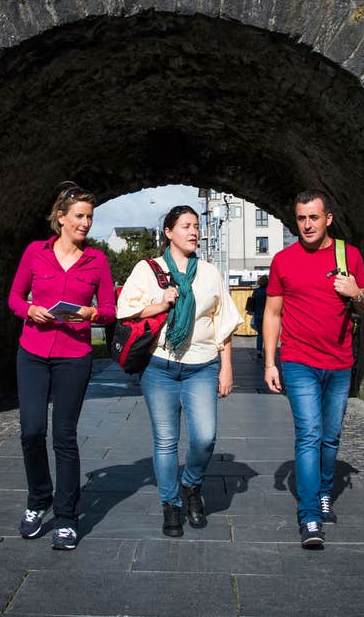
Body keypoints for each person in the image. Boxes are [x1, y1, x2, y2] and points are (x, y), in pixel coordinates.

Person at [6, 184, 116, 551]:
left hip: (74, 355)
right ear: (61, 218)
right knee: (31, 431)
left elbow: (111, 311)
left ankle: (67, 518)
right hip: (33, 351)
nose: (85, 223)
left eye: (90, 217)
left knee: (64, 436)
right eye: (80, 216)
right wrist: (30, 310)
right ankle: (38, 501)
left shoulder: (96, 261)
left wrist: (91, 313)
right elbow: (14, 297)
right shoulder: (35, 254)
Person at [117, 205, 238, 537]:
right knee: (166, 441)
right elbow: (124, 309)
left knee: (205, 436)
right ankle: (170, 504)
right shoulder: (148, 269)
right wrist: (162, 303)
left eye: (196, 226)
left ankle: (192, 484)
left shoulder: (210, 273)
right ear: (169, 232)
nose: (194, 231)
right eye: (186, 226)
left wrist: (226, 368)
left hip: (201, 366)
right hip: (159, 366)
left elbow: (223, 323)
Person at [261, 190, 364, 549]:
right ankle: (309, 515)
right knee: (309, 434)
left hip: (339, 363)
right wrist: (269, 362)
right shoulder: (283, 260)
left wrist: (355, 292)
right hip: (298, 361)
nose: (306, 225)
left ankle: (324, 490)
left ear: (328, 219)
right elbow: (273, 313)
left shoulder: (348, 255)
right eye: (300, 218)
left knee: (330, 437)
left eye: (313, 217)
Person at [247, 275, 269, 358]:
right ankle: (268, 350)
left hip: (257, 315)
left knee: (260, 334)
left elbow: (252, 303)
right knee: (268, 334)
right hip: (266, 315)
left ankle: (259, 350)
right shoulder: (268, 291)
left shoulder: (256, 291)